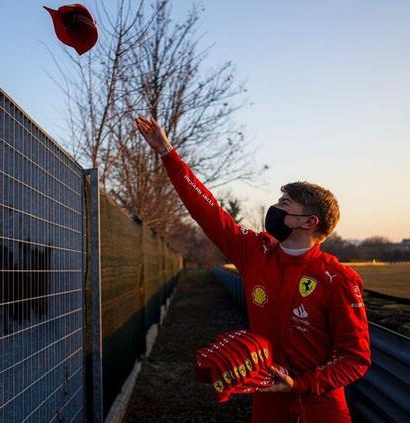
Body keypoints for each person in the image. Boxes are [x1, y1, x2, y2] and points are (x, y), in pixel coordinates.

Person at [135, 116, 371, 423]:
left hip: (321, 410)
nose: (274, 208)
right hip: (267, 407)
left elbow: (355, 358)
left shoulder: (338, 279)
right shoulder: (255, 252)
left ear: (308, 222)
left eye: (284, 204)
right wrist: (168, 152)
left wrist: (300, 385)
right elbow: (206, 210)